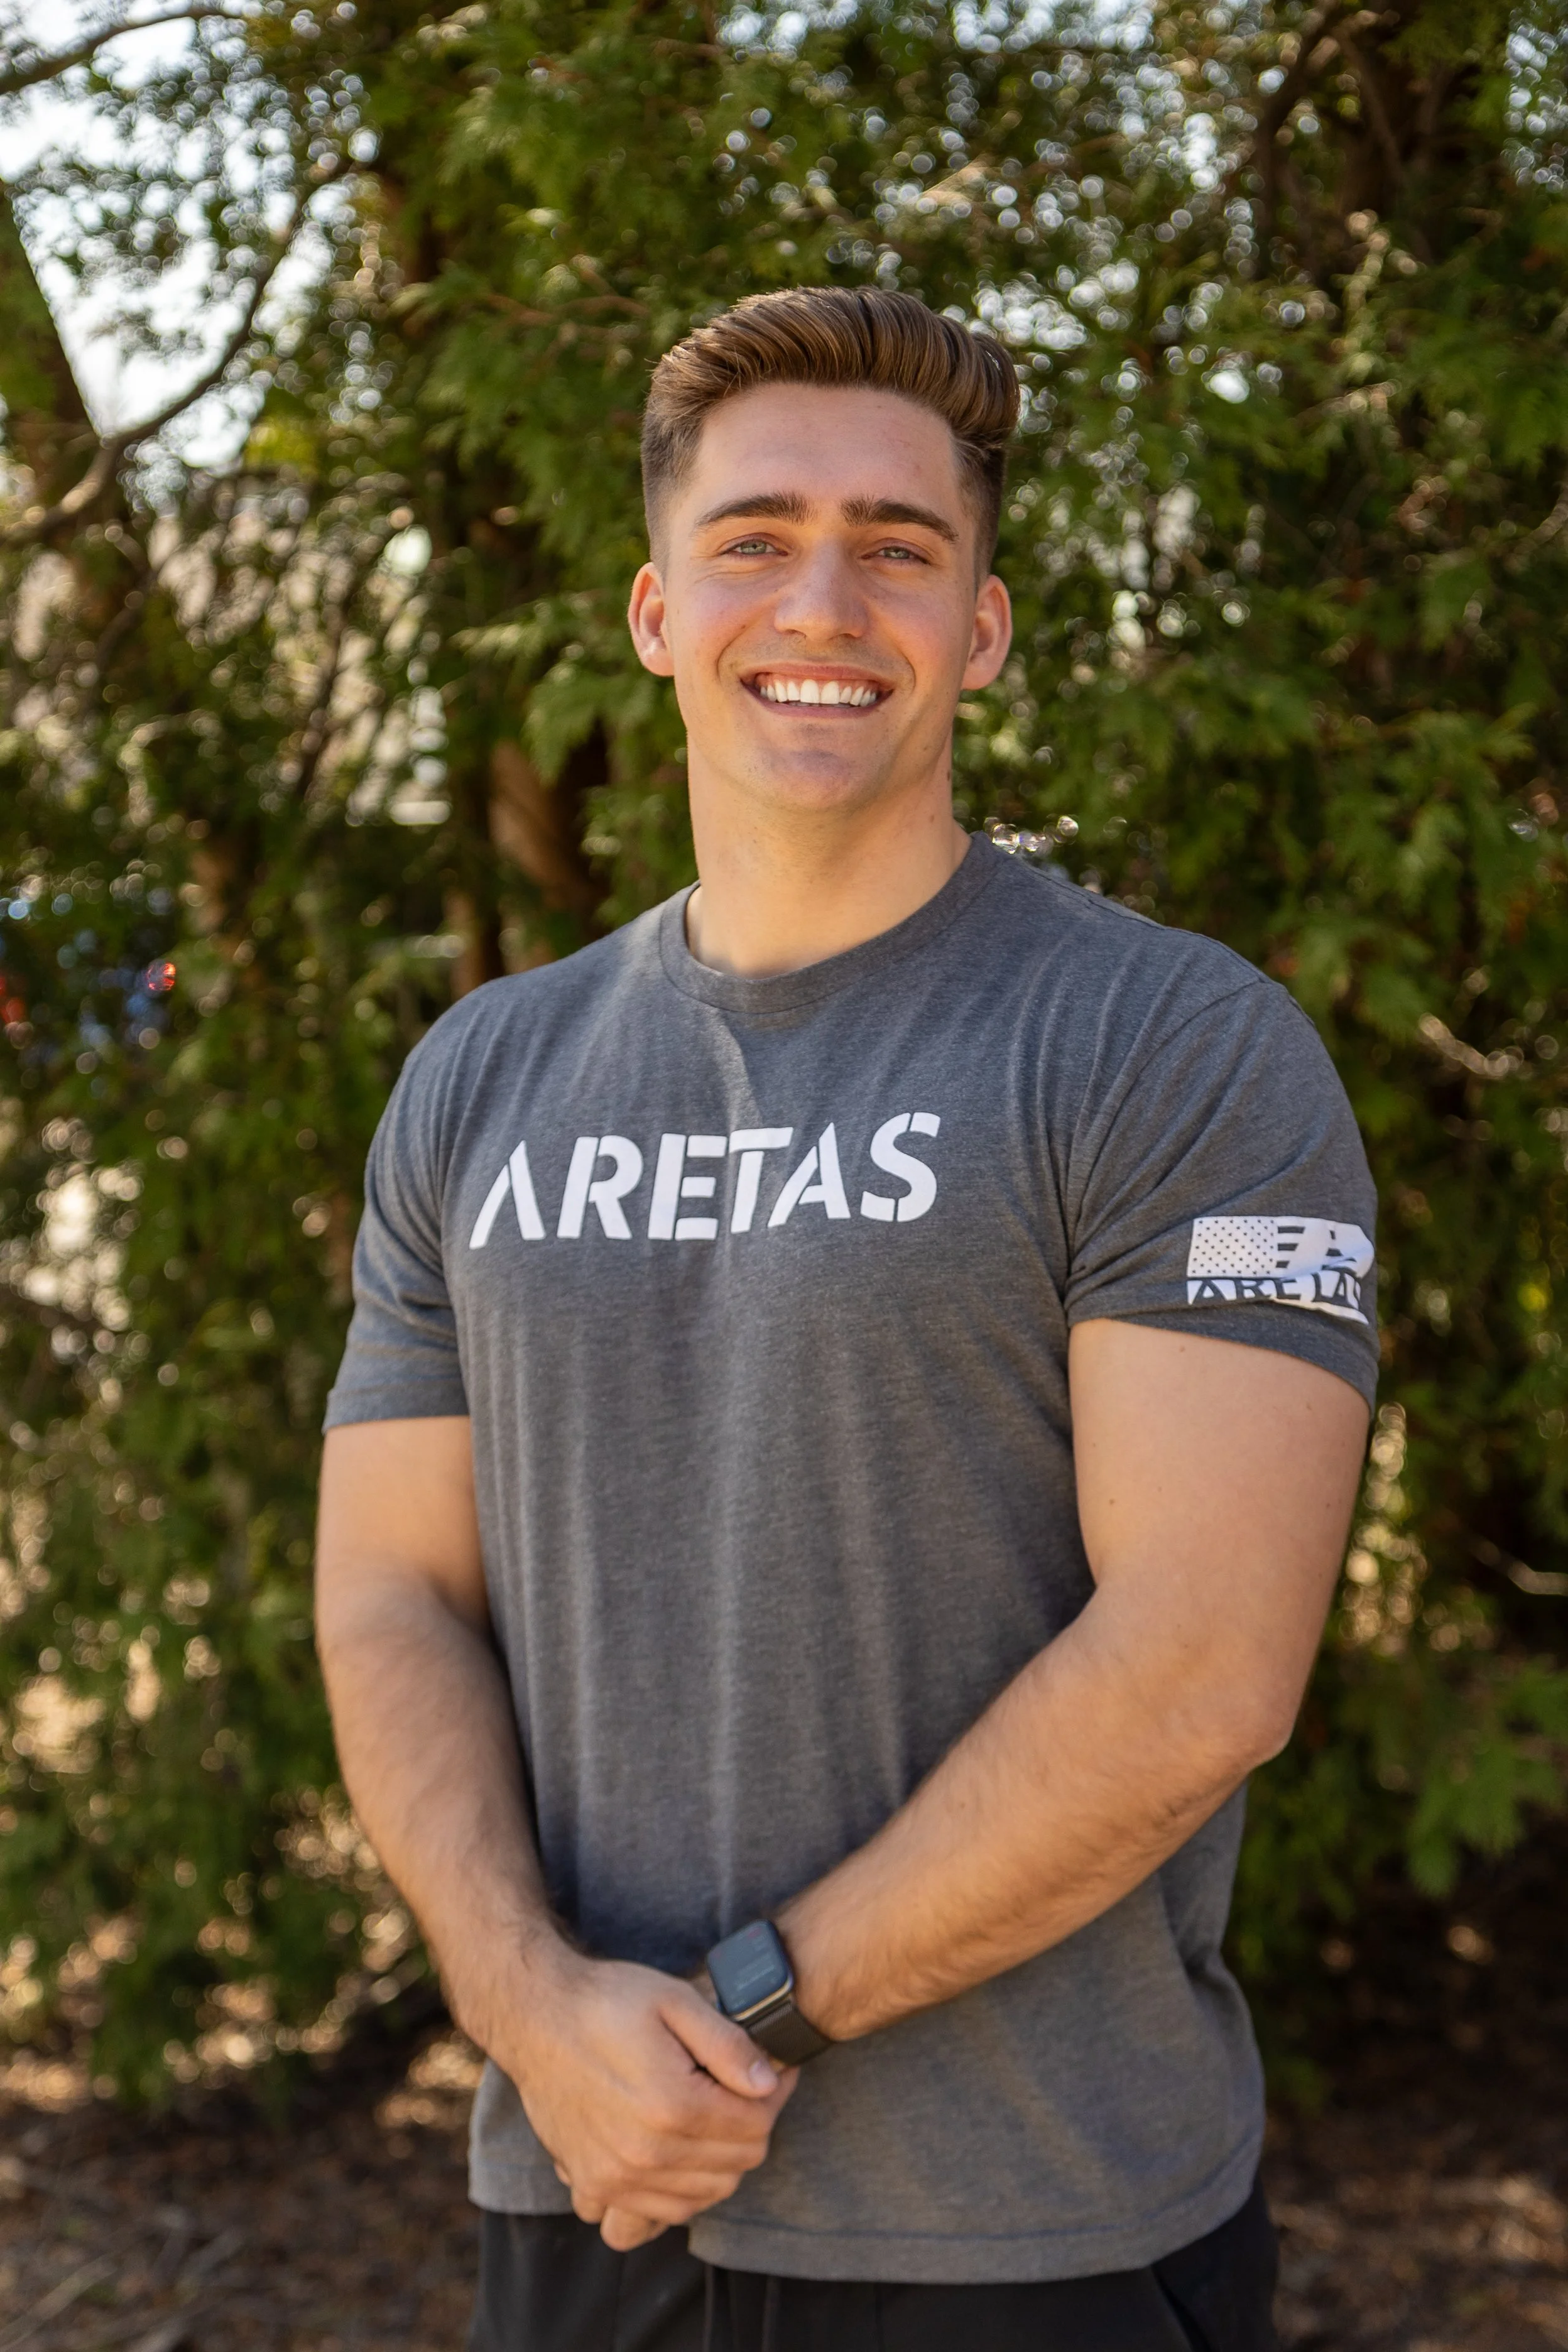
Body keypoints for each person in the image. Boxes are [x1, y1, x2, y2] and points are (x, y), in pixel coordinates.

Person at [315, 287, 1377, 2352]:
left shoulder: (1161, 1043)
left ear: (979, 627)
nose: (826, 595)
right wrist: (538, 2017)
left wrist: (730, 2022)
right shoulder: (482, 1076)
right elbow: (390, 1600)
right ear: (652, 608)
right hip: (587, 2196)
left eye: (900, 546)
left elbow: (1207, 1665)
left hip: (1032, 2235)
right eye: (756, 535)